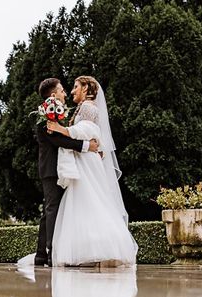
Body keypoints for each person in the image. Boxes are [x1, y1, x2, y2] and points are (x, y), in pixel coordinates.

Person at [47, 76, 137, 267]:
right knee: (84, 201)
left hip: (87, 161)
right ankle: (88, 250)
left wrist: (59, 129)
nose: (72, 91)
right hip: (84, 159)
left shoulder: (88, 107)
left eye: (76, 86)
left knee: (91, 200)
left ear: (86, 88)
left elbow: (84, 131)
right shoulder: (81, 108)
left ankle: (100, 249)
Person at [33, 78, 100, 267]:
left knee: (51, 211)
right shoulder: (45, 115)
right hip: (52, 169)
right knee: (53, 209)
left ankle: (42, 255)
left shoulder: (57, 114)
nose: (66, 93)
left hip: (62, 168)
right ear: (53, 95)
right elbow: (58, 141)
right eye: (62, 90)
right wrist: (87, 146)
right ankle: (52, 252)